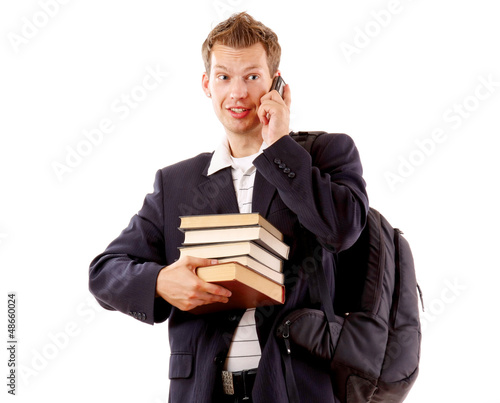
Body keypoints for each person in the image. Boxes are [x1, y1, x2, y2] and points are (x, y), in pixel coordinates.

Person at [89, 12, 368, 403]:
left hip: (298, 389)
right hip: (203, 392)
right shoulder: (176, 183)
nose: (237, 93)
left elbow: (342, 230)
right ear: (207, 84)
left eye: (252, 77)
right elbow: (105, 273)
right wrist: (160, 282)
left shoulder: (325, 155)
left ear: (276, 83)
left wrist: (279, 146)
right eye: (223, 77)